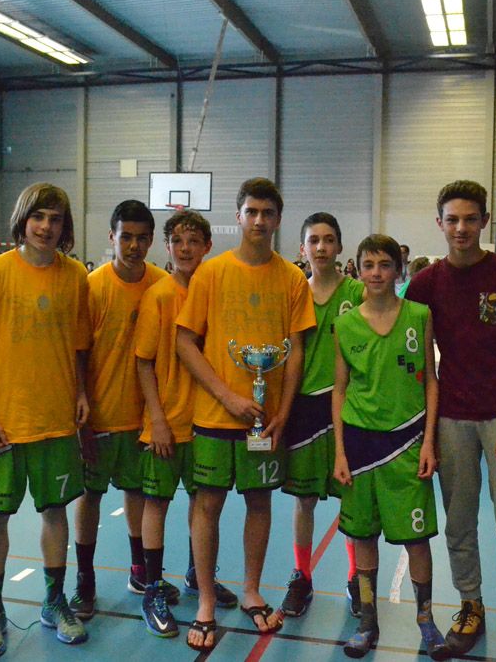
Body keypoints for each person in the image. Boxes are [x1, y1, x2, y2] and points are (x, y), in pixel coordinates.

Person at [176, 177, 315, 651]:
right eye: (251, 211)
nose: (259, 220)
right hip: (215, 418)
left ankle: (252, 590)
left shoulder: (292, 279)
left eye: (267, 213)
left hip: (265, 420)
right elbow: (185, 343)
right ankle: (206, 601)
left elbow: (296, 350)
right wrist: (226, 397)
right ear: (238, 216)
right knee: (207, 505)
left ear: (278, 219)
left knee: (259, 503)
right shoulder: (211, 274)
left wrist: (283, 412)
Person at [405, 180, 496, 660]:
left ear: (484, 221)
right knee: (459, 523)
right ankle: (470, 605)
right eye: (452, 219)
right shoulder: (425, 285)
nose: (460, 228)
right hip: (452, 420)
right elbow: (416, 358)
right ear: (439, 223)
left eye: (469, 219)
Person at [0, 182, 91, 657]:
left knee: (55, 512)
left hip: (57, 420)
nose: (46, 227)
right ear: (22, 220)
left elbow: (79, 346)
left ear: (64, 226)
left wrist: (80, 391)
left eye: (55, 219)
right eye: (38, 217)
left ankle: (54, 601)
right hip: (5, 424)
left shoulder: (75, 276)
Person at [332, 234, 445, 659]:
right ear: (357, 269)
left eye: (384, 264)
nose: (376, 272)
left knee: (417, 539)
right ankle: (367, 621)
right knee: (363, 536)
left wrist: (429, 440)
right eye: (369, 265)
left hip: (408, 440)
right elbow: (339, 390)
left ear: (398, 269)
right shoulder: (345, 324)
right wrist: (340, 452)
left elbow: (431, 380)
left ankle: (426, 620)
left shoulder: (419, 315)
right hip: (360, 444)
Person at [135, 209, 239, 638]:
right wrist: (158, 420)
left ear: (208, 246)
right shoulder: (159, 295)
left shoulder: (215, 291)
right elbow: (143, 362)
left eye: (194, 241)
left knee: (204, 505)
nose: (185, 249)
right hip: (165, 424)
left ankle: (199, 574)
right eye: (178, 241)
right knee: (157, 504)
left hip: (206, 422)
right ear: (167, 247)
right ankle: (152, 588)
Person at [69, 200, 168, 622]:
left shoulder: (162, 284)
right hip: (99, 418)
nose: (133, 246)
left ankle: (139, 571)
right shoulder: (92, 287)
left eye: (142, 238)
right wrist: (81, 410)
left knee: (138, 494)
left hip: (143, 419)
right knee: (90, 496)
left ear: (151, 241)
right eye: (125, 237)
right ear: (111, 237)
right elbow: (77, 352)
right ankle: (85, 579)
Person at [278, 212, 364, 619]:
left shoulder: (358, 292)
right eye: (314, 240)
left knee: (351, 496)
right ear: (303, 248)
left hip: (348, 409)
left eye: (329, 240)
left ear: (340, 246)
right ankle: (302, 575)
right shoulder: (294, 293)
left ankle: (356, 577)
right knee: (304, 499)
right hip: (305, 407)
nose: (322, 247)